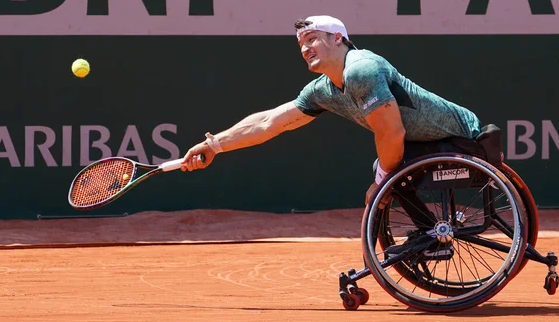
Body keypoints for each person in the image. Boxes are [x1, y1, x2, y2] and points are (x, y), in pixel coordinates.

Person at [181, 15, 482, 209]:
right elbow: (270, 122)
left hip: (460, 137)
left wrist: (380, 183)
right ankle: (428, 237)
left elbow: (392, 132)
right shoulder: (322, 90)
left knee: (383, 173)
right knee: (384, 169)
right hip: (422, 146)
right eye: (301, 44)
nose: (304, 48)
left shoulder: (362, 69)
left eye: (311, 39)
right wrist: (214, 145)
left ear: (337, 38)